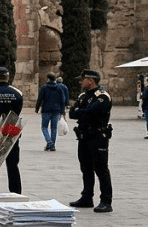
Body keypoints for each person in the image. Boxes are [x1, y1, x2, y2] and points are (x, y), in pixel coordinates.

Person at [69, 70, 113, 213]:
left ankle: (106, 201)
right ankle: (87, 197)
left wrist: (81, 112)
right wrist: (83, 111)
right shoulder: (83, 96)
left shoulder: (102, 97)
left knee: (101, 169)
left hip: (98, 137)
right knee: (86, 168)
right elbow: (72, 113)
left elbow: (90, 112)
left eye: (82, 79)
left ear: (91, 80)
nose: (80, 82)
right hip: (84, 136)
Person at [34, 73, 69, 151]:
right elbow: (63, 100)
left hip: (46, 110)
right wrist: (62, 111)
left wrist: (37, 108)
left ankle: (49, 142)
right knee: (54, 128)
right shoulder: (59, 88)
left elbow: (40, 99)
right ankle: (52, 145)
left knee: (44, 127)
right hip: (56, 110)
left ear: (48, 79)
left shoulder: (44, 88)